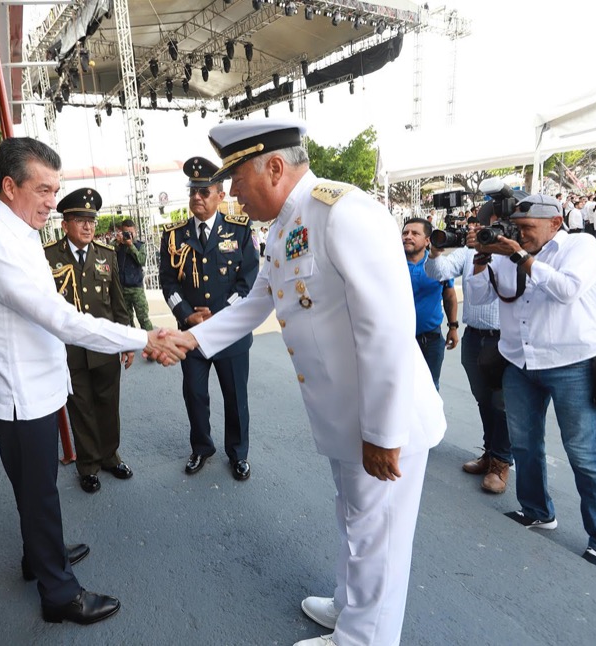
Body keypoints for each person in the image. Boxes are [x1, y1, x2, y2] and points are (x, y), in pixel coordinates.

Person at [174, 118, 445, 646]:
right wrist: (190, 341)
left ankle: (365, 639)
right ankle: (350, 607)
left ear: (274, 167)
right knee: (354, 520)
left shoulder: (343, 213)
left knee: (378, 539)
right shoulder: (283, 225)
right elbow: (257, 302)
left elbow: (387, 328)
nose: (230, 194)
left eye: (236, 180)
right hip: (347, 418)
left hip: (381, 419)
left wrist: (385, 432)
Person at [0, 137, 187, 626]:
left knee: (33, 487)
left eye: (54, 190)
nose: (50, 201)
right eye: (42, 190)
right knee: (38, 491)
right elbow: (61, 318)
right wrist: (143, 336)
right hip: (20, 396)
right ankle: (59, 593)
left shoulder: (16, 231)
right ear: (8, 186)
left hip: (34, 387)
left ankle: (38, 556)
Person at [465, 194, 596, 575]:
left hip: (571, 363)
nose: (519, 235)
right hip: (520, 363)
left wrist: (519, 256)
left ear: (555, 222)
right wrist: (481, 259)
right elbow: (477, 298)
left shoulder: (580, 245)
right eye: (515, 229)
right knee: (524, 444)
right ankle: (537, 512)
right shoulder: (507, 252)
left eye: (526, 229)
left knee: (586, 454)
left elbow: (567, 290)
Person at [158, 156, 259, 480]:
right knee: (195, 394)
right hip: (192, 335)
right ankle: (201, 447)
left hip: (229, 333)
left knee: (235, 397)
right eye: (192, 193)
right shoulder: (173, 236)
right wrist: (187, 315)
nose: (196, 199)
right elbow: (168, 283)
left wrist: (215, 315)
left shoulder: (240, 232)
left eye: (204, 192)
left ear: (220, 195)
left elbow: (247, 282)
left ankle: (238, 453)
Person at [44, 188, 136, 494]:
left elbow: (118, 304)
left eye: (91, 221)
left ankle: (110, 456)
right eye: (80, 220)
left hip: (104, 348)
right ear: (65, 224)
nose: (88, 227)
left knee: (108, 405)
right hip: (68, 352)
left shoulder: (106, 255)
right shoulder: (47, 257)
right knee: (81, 409)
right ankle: (88, 465)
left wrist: (125, 341)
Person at [425, 206, 512, 494]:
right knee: (484, 399)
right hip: (474, 336)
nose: (479, 231)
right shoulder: (467, 253)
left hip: (503, 338)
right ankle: (490, 452)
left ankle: (501, 462)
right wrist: (436, 250)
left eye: (485, 226)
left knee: (501, 403)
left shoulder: (511, 253)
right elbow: (437, 272)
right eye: (477, 226)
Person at [402, 217, 458, 389]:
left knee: (431, 387)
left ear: (427, 240)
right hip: (399, 340)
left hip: (431, 341)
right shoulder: (391, 264)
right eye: (405, 233)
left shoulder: (439, 265)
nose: (408, 236)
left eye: (415, 233)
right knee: (400, 389)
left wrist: (453, 327)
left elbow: (449, 296)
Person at [113, 218, 154, 331]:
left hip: (136, 288)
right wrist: (117, 242)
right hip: (122, 288)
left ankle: (151, 342)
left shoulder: (139, 245)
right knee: (126, 320)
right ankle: (132, 345)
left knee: (143, 319)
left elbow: (141, 260)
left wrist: (131, 245)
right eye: (126, 233)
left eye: (131, 233)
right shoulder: (117, 245)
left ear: (135, 232)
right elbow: (108, 255)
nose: (129, 235)